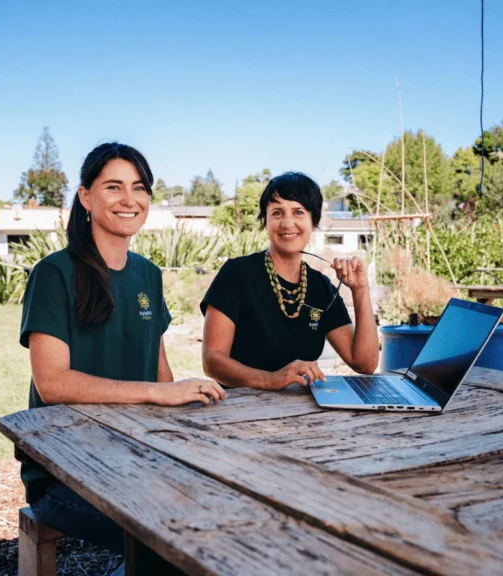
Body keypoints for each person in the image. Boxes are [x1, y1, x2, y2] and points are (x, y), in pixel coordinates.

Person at [19, 142, 225, 555]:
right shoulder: (54, 273)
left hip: (140, 452)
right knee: (172, 539)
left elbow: (160, 372)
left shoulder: (148, 274)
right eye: (113, 187)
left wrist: (183, 410)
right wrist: (154, 392)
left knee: (229, 511)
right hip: (67, 467)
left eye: (140, 187)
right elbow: (53, 384)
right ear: (86, 197)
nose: (129, 199)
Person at [200, 172, 379, 389]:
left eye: (298, 212)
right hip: (240, 408)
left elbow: (364, 363)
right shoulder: (236, 274)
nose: (287, 223)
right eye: (277, 213)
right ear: (265, 222)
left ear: (313, 223)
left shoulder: (321, 288)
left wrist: (360, 290)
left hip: (303, 409)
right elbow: (212, 361)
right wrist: (271, 379)